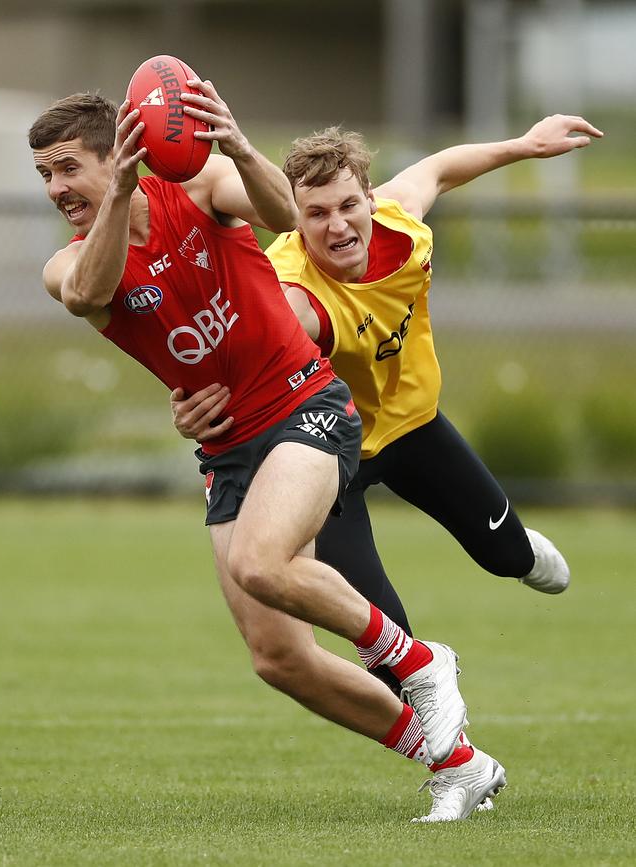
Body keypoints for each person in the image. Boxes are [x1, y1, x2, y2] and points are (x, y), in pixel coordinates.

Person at [29, 82, 505, 824]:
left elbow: (287, 216)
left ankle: (420, 661)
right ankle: (457, 762)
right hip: (227, 450)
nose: (56, 188)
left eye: (66, 168)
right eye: (44, 176)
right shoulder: (68, 263)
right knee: (278, 658)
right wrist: (118, 194)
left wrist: (240, 145)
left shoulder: (204, 187)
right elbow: (87, 294)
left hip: (302, 405)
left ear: (118, 152)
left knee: (261, 559)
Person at [173, 115, 604, 640]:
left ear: (370, 199)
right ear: (294, 220)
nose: (337, 225)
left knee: (507, 557)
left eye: (348, 205)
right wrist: (192, 406)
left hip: (414, 425)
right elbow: (231, 361)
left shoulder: (401, 223)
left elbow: (441, 169)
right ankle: (425, 716)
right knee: (383, 632)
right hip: (329, 455)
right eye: (316, 213)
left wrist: (524, 145)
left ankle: (517, 547)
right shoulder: (291, 298)